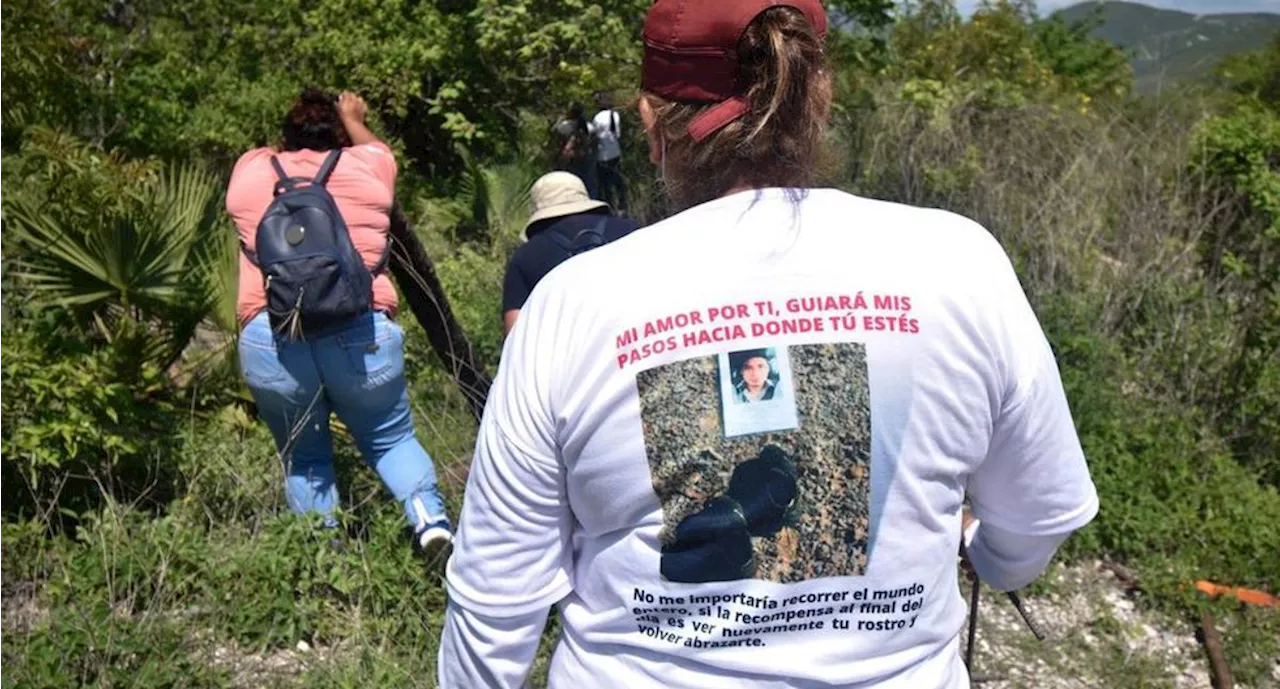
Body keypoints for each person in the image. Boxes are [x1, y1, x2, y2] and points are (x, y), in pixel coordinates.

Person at [439, 0, 1099, 686]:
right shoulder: (959, 261)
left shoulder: (570, 304)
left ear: (649, 123)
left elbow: (496, 601)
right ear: (820, 95)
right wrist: (993, 558)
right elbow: (1037, 518)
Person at [227, 88, 452, 560]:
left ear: (285, 136)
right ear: (341, 134)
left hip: (273, 336)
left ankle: (325, 556)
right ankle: (429, 521)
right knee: (390, 438)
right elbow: (380, 151)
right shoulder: (369, 167)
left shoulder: (251, 173)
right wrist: (353, 117)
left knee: (306, 457)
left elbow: (257, 157)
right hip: (361, 332)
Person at [501, 171, 640, 336]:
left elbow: (515, 333)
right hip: (642, 342)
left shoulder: (524, 257)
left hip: (579, 355)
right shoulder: (632, 230)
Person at [551, 102, 599, 200]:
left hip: (570, 160)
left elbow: (558, 143)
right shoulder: (589, 127)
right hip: (585, 158)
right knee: (588, 185)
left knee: (571, 184)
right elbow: (594, 144)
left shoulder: (563, 127)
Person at [591, 90, 628, 213]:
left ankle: (609, 207)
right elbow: (618, 134)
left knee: (605, 184)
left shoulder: (597, 118)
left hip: (602, 155)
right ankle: (622, 204)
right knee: (618, 180)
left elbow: (595, 136)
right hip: (615, 153)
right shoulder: (614, 115)